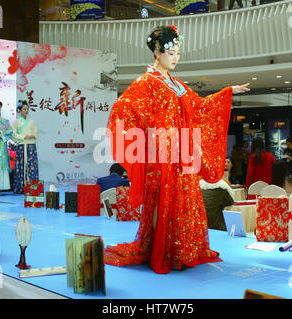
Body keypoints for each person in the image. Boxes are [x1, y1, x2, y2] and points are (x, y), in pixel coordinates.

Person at [104, 25, 250, 274]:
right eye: (171, 53)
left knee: (184, 203)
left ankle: (180, 249)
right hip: (161, 158)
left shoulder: (177, 84)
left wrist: (227, 93)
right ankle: (161, 251)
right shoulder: (147, 82)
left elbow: (200, 107)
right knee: (163, 203)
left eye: (178, 53)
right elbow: (123, 108)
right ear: (158, 52)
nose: (176, 58)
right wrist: (151, 138)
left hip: (182, 156)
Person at [11, 100, 39, 194]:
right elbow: (13, 134)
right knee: (21, 166)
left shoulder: (31, 121)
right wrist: (23, 137)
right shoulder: (16, 122)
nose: (26, 110)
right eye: (24, 109)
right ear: (20, 110)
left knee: (32, 166)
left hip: (31, 145)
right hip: (22, 146)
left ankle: (32, 188)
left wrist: (32, 135)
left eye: (27, 109)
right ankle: (21, 187)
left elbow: (35, 132)